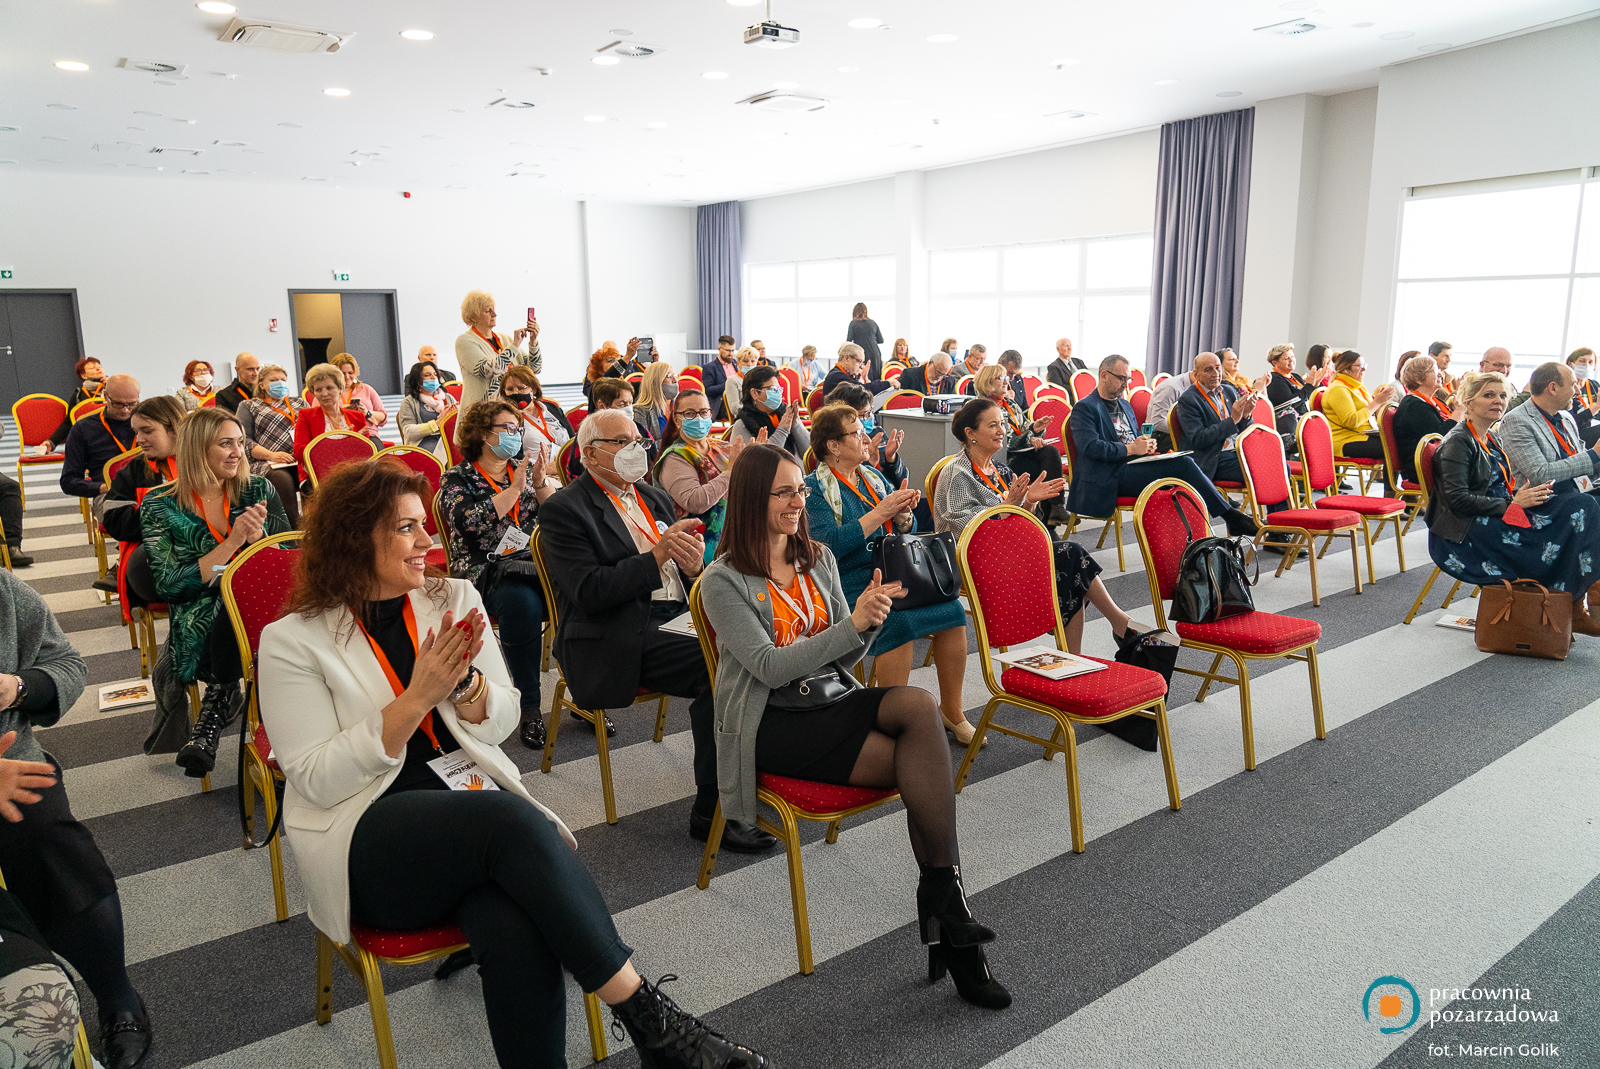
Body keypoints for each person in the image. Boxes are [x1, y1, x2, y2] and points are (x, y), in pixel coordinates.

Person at [257, 460, 769, 1069]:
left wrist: (466, 687)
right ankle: (653, 1022)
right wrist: (417, 698)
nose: (427, 541)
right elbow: (316, 779)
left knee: (515, 926)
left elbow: (502, 720)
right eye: (406, 528)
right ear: (353, 539)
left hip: (469, 813)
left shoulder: (453, 598)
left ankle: (653, 1038)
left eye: (424, 525)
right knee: (510, 821)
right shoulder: (293, 641)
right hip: (366, 830)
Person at [700, 442, 1010, 1010]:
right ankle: (953, 923)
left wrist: (867, 622)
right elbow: (769, 668)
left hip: (830, 698)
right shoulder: (723, 580)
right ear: (750, 499)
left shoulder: (815, 557)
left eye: (800, 490)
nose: (799, 503)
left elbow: (845, 658)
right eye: (784, 493)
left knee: (917, 709)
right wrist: (851, 627)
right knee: (922, 767)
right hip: (773, 721)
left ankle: (945, 899)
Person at [539, 409, 775, 853]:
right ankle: (715, 811)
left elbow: (686, 573)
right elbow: (588, 592)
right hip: (617, 629)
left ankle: (755, 777)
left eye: (639, 441)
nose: (636, 450)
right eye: (622, 442)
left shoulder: (652, 496)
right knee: (726, 666)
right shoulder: (564, 510)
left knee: (760, 639)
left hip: (676, 615)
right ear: (591, 453)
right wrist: (656, 557)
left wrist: (694, 567)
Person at [0, 570, 153, 1069]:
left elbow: (66, 664)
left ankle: (116, 995)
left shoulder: (4, 591)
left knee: (49, 838)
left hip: (11, 761)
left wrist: (19, 687)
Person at [804, 405, 973, 741]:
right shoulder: (814, 489)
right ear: (833, 445)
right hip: (847, 579)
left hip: (892, 570)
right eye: (856, 433)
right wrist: (881, 513)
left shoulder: (871, 476)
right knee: (897, 619)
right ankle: (892, 721)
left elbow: (905, 529)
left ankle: (952, 711)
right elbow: (826, 546)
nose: (866, 438)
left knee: (953, 610)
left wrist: (903, 516)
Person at [143, 406, 291, 776]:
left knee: (243, 603)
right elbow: (171, 585)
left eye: (240, 443)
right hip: (199, 612)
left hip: (260, 605)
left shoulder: (258, 489)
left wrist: (260, 541)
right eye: (226, 444)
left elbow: (290, 565)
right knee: (229, 602)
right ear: (197, 449)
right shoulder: (159, 504)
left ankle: (216, 705)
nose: (238, 452)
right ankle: (260, 730)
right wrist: (233, 542)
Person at [937, 397, 1140, 654]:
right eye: (992, 425)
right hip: (969, 559)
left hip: (1006, 549)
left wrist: (1029, 502)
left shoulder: (1001, 470)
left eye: (1002, 424)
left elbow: (1017, 523)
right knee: (1071, 556)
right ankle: (1117, 627)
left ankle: (1097, 640)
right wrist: (1008, 506)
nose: (1002, 431)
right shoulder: (957, 474)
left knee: (1071, 565)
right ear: (970, 433)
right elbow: (967, 529)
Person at [1426, 372, 1600, 634]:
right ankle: (1573, 602)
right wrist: (1511, 504)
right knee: (1574, 519)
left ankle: (1576, 599)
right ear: (1468, 402)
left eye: (1503, 395)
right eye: (1489, 395)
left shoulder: (1491, 437)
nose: (1498, 401)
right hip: (1469, 528)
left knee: (1581, 505)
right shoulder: (1458, 442)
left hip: (1498, 511)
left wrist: (1516, 501)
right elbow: (1457, 500)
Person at [439, 400, 558, 748]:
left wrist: (540, 483)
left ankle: (583, 692)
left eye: (517, 428)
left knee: (576, 589)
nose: (515, 434)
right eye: (506, 428)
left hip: (531, 563)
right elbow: (466, 521)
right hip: (485, 568)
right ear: (481, 434)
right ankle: (529, 706)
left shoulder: (523, 470)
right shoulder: (457, 477)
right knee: (523, 604)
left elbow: (557, 518)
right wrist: (515, 490)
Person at [1068, 355, 1258, 536]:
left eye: (1128, 379)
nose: (1126, 384)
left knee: (1183, 465)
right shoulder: (1085, 408)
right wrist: (1131, 449)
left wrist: (1145, 444)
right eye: (1121, 378)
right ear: (1104, 375)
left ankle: (1190, 536)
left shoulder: (1124, 405)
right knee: (1184, 466)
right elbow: (1091, 448)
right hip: (1107, 475)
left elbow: (1132, 438)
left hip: (1132, 465)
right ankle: (1231, 517)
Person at [104, 395, 187, 602]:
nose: (139, 439)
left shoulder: (205, 461)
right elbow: (115, 522)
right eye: (136, 432)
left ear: (175, 429)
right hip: (153, 561)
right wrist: (165, 513)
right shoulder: (133, 471)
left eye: (147, 431)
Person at [975, 364, 1068, 523]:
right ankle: (1050, 520)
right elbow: (1002, 440)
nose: (1007, 382)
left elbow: (1024, 427)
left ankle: (1056, 508)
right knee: (1045, 469)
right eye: (1002, 378)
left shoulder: (1009, 404)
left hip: (1021, 454)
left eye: (1007, 378)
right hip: (1002, 459)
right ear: (988, 381)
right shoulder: (981, 408)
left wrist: (1035, 428)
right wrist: (1029, 438)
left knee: (1050, 453)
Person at [655, 390, 740, 563]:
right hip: (697, 549)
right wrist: (731, 472)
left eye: (703, 412)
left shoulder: (721, 447)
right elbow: (695, 502)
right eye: (690, 414)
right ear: (677, 420)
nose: (698, 418)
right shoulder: (675, 456)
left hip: (733, 540)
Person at [1500, 362, 1600, 498]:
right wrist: (1593, 454)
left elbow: (1583, 464)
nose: (1577, 391)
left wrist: (1597, 458)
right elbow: (1540, 475)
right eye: (1573, 385)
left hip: (1576, 491)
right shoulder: (1516, 421)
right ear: (1553, 388)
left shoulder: (1566, 418)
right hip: (1543, 500)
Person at [1174, 353, 1266, 486]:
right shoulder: (1189, 400)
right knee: (1263, 469)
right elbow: (1199, 439)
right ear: (1196, 375)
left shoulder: (1228, 391)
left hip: (1236, 451)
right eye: (1208, 370)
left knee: (1278, 464)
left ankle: (1282, 501)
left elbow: (1244, 431)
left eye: (1218, 368)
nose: (1215, 373)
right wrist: (1232, 420)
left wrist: (1246, 415)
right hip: (1213, 458)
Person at [236, 363, 304, 528]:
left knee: (315, 477)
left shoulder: (299, 403)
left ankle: (318, 527)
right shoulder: (249, 405)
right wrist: (272, 455)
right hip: (267, 461)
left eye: (283, 379)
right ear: (261, 384)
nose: (280, 383)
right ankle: (293, 531)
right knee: (282, 480)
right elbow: (244, 439)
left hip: (299, 458)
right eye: (273, 380)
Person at [456, 290, 541, 410]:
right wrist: (515, 345)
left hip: (510, 411)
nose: (494, 314)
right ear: (473, 317)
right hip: (480, 413)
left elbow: (534, 369)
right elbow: (488, 371)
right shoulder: (464, 341)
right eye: (488, 311)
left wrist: (533, 342)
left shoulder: (505, 339)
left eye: (494, 309)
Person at [60, 374, 139, 500]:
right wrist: (103, 488)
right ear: (106, 396)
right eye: (118, 404)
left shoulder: (149, 423)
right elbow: (68, 481)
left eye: (131, 404)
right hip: (109, 493)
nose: (125, 410)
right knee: (123, 509)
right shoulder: (83, 428)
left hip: (149, 490)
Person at [293, 363, 371, 487]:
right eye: (318, 390)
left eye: (329, 388)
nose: (324, 394)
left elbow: (365, 454)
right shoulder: (306, 415)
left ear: (340, 390)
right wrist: (344, 445)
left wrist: (353, 444)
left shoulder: (357, 416)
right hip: (316, 474)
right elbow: (300, 452)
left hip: (353, 472)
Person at [1322, 351, 1397, 472]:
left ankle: (1395, 484)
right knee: (1394, 448)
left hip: (1365, 434)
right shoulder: (1338, 389)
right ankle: (1390, 484)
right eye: (1360, 366)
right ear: (1346, 370)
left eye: (1364, 365)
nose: (1364, 369)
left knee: (1399, 441)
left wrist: (1379, 405)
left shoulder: (1358, 386)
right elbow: (1352, 421)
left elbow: (1371, 413)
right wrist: (1376, 403)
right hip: (1346, 439)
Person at [1393, 354, 1461, 484]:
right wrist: (1458, 411)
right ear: (1418, 379)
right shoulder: (1415, 406)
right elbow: (1440, 437)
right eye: (1434, 371)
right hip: (1423, 468)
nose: (1440, 374)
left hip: (1436, 462)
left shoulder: (1426, 401)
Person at [730, 365, 810, 460]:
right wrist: (783, 430)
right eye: (773, 389)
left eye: (779, 389)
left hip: (798, 468)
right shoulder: (743, 424)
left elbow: (810, 453)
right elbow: (766, 462)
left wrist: (796, 425)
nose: (778, 394)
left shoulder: (785, 413)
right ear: (754, 393)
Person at [498, 366, 575, 464]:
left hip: (569, 466)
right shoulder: (506, 418)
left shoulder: (552, 408)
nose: (515, 393)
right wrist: (545, 469)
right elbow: (512, 458)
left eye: (521, 388)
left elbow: (573, 440)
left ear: (533, 389)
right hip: (536, 470)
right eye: (510, 389)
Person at [41, 356, 108, 453]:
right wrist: (51, 442)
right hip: (88, 439)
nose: (98, 369)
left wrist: (113, 385)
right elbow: (68, 423)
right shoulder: (78, 395)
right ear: (84, 375)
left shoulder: (114, 388)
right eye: (92, 368)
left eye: (99, 366)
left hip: (111, 435)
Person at [396, 360, 458, 454]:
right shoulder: (409, 402)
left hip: (449, 440)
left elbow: (461, 426)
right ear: (418, 381)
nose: (433, 377)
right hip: (423, 444)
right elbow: (408, 432)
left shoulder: (448, 398)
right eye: (427, 375)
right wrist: (437, 423)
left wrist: (455, 416)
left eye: (435, 374)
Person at [632, 361, 679, 461]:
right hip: (657, 461)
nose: (675, 380)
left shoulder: (679, 406)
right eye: (669, 376)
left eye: (675, 375)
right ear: (655, 382)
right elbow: (643, 445)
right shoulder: (640, 410)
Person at [1265, 343, 1315, 436]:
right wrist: (1309, 385)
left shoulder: (1295, 376)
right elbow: (1290, 403)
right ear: (1275, 363)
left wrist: (1316, 383)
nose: (1291, 360)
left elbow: (1306, 395)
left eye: (1292, 356)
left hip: (1305, 422)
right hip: (1289, 427)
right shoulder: (1274, 379)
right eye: (1287, 358)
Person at [330, 352, 389, 429]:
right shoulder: (327, 392)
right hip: (339, 433)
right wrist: (340, 412)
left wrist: (367, 413)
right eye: (343, 373)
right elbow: (318, 419)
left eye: (350, 373)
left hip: (368, 433)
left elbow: (383, 417)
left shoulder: (367, 389)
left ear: (355, 373)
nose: (347, 377)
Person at [1145, 368, 1194, 453]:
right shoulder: (1171, 387)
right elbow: (1157, 423)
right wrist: (1189, 429)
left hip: (1179, 432)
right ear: (1196, 374)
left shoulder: (1202, 389)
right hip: (1159, 437)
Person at [823, 342, 893, 400]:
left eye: (862, 363)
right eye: (859, 361)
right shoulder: (836, 376)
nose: (861, 366)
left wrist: (865, 380)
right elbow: (859, 391)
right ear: (846, 358)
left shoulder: (847, 375)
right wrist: (887, 383)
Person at [1564, 348, 1600, 447]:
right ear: (1571, 364)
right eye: (1582, 361)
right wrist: (1596, 407)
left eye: (1590, 362)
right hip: (1575, 433)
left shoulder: (1594, 385)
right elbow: (1569, 422)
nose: (1586, 365)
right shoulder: (1566, 388)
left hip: (1593, 428)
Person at [701, 335, 739, 418]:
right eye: (728, 350)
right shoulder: (709, 367)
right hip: (722, 403)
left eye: (733, 350)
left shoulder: (737, 364)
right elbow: (708, 390)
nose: (731, 354)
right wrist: (729, 384)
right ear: (719, 349)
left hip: (739, 399)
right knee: (743, 410)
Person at [846, 302, 885, 379]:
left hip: (861, 354)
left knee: (863, 377)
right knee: (876, 377)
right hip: (875, 354)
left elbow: (849, 341)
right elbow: (881, 340)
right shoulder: (873, 323)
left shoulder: (853, 324)